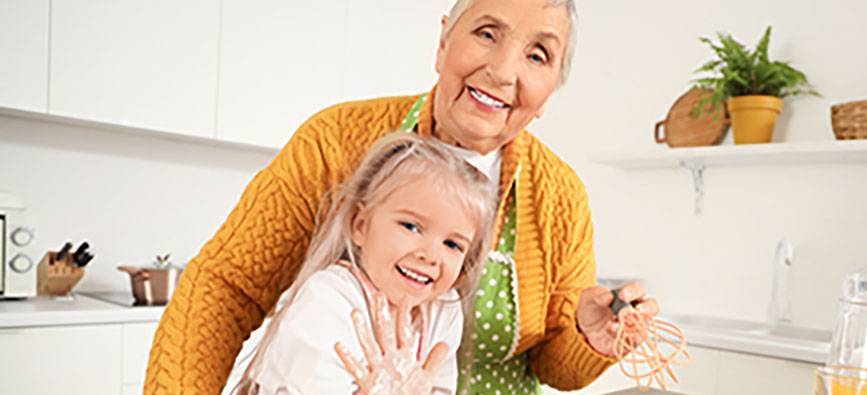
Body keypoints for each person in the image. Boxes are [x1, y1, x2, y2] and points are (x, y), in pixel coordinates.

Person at [144, 0, 659, 393]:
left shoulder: (560, 197)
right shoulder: (334, 141)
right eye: (486, 33)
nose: (503, 71)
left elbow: (554, 366)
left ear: (549, 93)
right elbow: (226, 288)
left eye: (538, 55)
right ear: (443, 43)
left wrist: (592, 338)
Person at [234, 132, 497, 394]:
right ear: (360, 225)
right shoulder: (327, 302)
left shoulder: (442, 310)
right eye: (411, 226)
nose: (429, 255)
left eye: (452, 244)